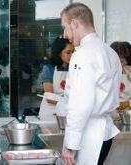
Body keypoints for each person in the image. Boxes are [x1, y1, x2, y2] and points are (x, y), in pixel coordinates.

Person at [60, 3, 122, 165]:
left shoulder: (83, 54)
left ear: (74, 23)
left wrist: (71, 144)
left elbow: (81, 102)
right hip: (104, 133)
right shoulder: (110, 52)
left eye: (65, 27)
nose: (65, 34)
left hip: (88, 137)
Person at [39, 37, 74, 120]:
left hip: (67, 113)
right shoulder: (48, 69)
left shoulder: (74, 69)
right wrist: (71, 104)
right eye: (68, 53)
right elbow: (50, 98)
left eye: (73, 52)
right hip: (50, 114)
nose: (71, 55)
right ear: (59, 53)